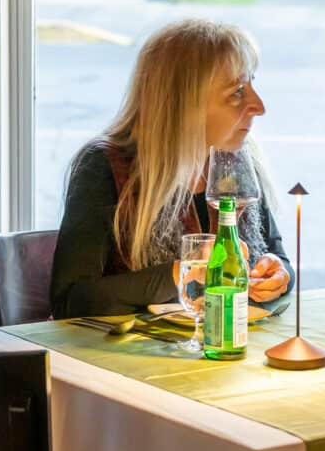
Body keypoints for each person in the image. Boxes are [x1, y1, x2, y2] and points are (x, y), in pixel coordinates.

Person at [50, 19, 292, 318]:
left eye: (252, 84)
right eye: (237, 93)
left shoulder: (236, 160)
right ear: (184, 105)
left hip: (225, 346)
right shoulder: (105, 166)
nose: (259, 105)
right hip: (131, 362)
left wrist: (278, 275)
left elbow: (277, 256)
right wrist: (180, 274)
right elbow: (71, 301)